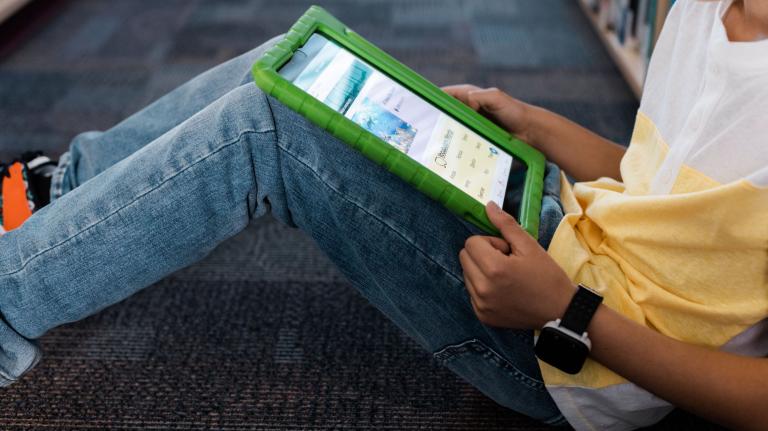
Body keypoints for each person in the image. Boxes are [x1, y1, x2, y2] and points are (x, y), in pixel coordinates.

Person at [0, 0, 766, 429]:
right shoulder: (702, 10)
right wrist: (531, 123)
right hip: (556, 226)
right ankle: (55, 193)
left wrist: (567, 311)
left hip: (580, 358)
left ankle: (8, 300)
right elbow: (659, 180)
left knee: (268, 129)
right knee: (299, 60)